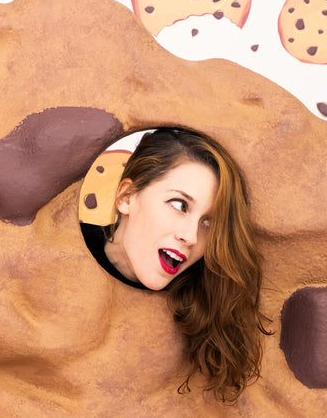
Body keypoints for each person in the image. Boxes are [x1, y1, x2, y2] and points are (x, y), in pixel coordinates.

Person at [81, 128, 269, 403]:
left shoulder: (201, 298)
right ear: (127, 197)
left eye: (208, 222)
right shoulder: (68, 249)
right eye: (180, 205)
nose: (191, 237)